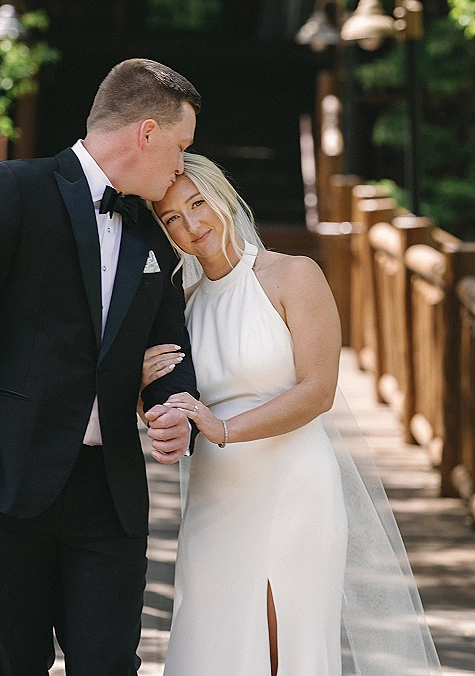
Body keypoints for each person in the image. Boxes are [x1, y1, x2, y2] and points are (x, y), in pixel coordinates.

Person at [0, 58, 202, 676]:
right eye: (180, 146)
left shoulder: (154, 235)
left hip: (111, 493)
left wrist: (173, 409)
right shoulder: (8, 191)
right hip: (3, 481)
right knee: (14, 665)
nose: (182, 165)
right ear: (146, 133)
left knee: (107, 663)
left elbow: (169, 353)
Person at [143, 153, 442, 676]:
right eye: (171, 218)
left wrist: (226, 427)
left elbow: (318, 391)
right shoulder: (183, 306)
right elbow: (173, 409)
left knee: (285, 645)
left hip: (293, 489)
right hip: (214, 497)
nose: (191, 225)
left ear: (224, 197)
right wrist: (146, 391)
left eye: (197, 203)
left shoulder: (292, 276)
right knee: (210, 640)